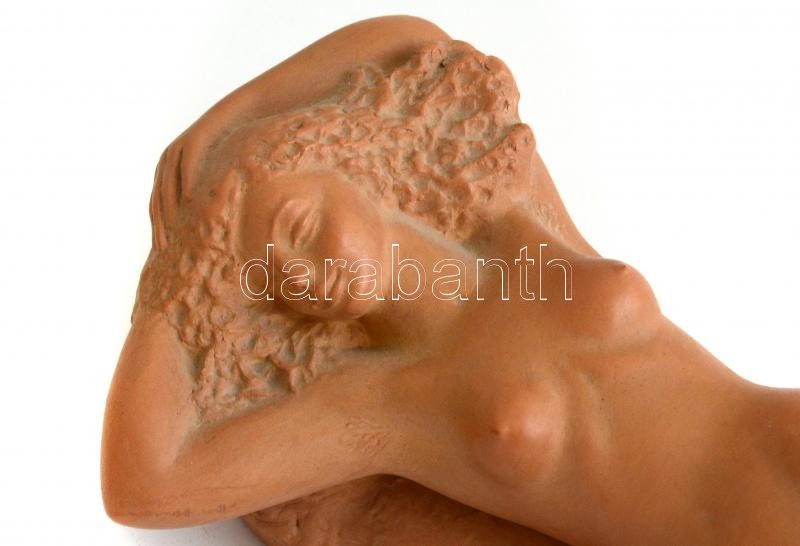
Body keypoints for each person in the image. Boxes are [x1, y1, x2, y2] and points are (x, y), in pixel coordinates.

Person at [101, 15, 800, 546]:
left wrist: (215, 136)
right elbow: (139, 483)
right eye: (281, 283)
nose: (309, 278)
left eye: (305, 228)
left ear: (346, 168)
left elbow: (417, 42)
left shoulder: (513, 220)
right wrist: (177, 273)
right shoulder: (384, 399)